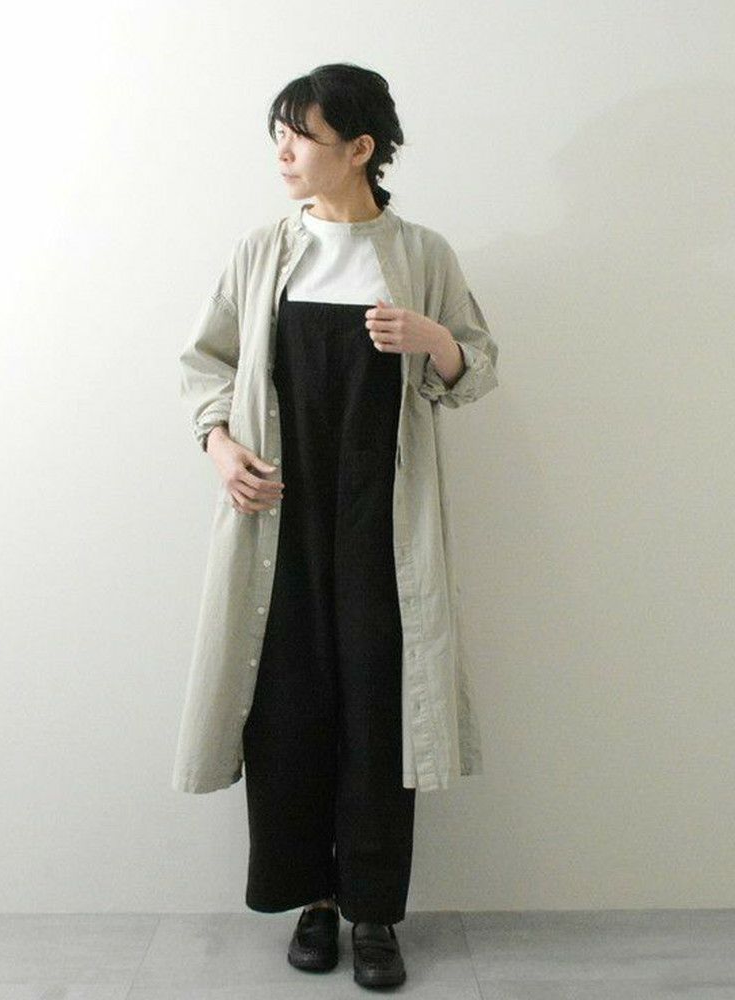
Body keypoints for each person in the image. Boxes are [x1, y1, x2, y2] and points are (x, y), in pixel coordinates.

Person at [173, 62, 500, 991]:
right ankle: (311, 901)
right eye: (278, 135)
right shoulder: (261, 253)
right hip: (277, 519)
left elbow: (475, 368)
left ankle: (375, 913)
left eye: (302, 136)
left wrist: (434, 341)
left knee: (379, 710)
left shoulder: (421, 253)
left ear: (359, 148)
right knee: (287, 708)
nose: (284, 153)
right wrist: (219, 447)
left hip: (382, 525)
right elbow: (204, 364)